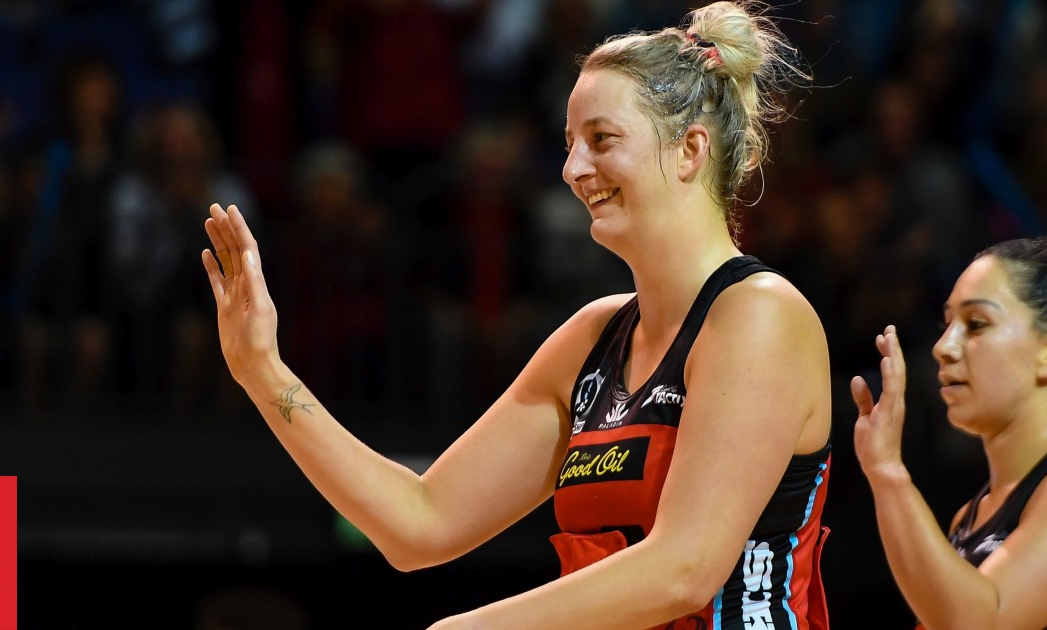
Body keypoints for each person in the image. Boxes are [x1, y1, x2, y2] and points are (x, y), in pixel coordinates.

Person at [201, 2, 833, 627]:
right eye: (569, 144)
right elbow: (420, 523)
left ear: (690, 149)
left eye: (601, 140)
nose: (573, 169)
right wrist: (263, 371)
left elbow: (685, 570)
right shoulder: (592, 337)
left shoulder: (760, 315)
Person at [851, 236, 1047, 628]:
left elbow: (982, 622)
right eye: (946, 324)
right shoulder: (968, 518)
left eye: (975, 324)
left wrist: (888, 471)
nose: (943, 347)